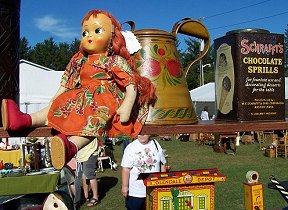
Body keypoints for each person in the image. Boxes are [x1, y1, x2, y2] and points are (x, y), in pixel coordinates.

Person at [1, 10, 155, 170]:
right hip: (81, 95)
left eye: (97, 31)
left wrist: (127, 104)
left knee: (93, 123)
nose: (89, 35)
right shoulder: (79, 59)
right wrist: (56, 97)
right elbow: (68, 80)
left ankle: (71, 147)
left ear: (112, 37)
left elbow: (130, 83)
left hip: (104, 100)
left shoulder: (114, 61)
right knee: (58, 107)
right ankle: (23, 120)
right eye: (85, 32)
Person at [121, 135, 166, 210]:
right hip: (136, 192)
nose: (141, 135)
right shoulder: (131, 147)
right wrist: (124, 187)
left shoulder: (156, 144)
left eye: (144, 133)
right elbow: (125, 168)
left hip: (154, 190)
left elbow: (162, 164)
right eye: (139, 133)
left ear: (149, 134)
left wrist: (164, 183)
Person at [75, 138, 100, 207]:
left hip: (90, 154)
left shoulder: (90, 128)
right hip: (81, 155)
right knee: (84, 176)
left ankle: (95, 197)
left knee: (90, 175)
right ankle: (86, 196)